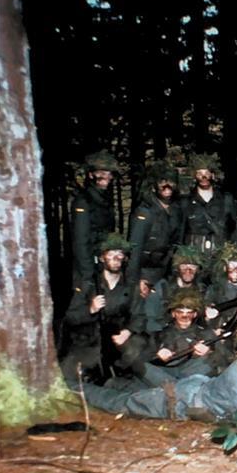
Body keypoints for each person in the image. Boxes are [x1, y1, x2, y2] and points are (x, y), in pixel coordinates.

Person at [78, 311, 237, 425]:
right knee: (123, 403)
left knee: (134, 389)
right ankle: (75, 388)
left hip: (198, 385)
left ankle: (116, 382)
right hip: (183, 400)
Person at [62, 233, 146, 382]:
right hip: (90, 341)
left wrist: (127, 332)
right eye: (111, 254)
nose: (116, 258)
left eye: (120, 254)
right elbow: (70, 317)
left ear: (125, 258)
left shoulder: (130, 287)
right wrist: (91, 309)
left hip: (117, 341)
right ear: (102, 258)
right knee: (71, 374)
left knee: (137, 354)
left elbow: (139, 317)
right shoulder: (88, 285)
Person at [128, 161, 185, 296]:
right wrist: (136, 279)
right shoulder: (145, 212)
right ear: (154, 186)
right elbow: (135, 248)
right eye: (162, 183)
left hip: (167, 272)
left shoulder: (176, 211)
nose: (167, 187)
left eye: (171, 183)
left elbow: (178, 242)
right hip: (146, 272)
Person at [71, 150, 119, 284]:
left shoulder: (103, 200)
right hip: (88, 267)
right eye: (102, 174)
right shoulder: (84, 202)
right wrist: (88, 274)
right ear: (91, 175)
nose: (107, 178)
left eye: (109, 174)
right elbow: (81, 241)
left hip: (102, 263)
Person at [181, 152, 237, 257]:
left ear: (213, 175)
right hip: (194, 256)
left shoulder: (227, 199)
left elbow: (235, 228)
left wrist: (232, 252)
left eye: (207, 173)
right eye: (199, 173)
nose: (203, 177)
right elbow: (180, 232)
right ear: (194, 176)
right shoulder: (186, 202)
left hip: (221, 255)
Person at [142, 245, 207, 335]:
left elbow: (203, 320)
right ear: (177, 268)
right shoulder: (163, 287)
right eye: (183, 266)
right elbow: (149, 319)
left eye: (192, 267)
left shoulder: (202, 290)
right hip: (163, 334)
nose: (188, 271)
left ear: (198, 269)